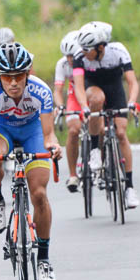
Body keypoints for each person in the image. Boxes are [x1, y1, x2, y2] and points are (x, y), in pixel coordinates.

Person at [0, 42, 62, 280]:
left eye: (19, 76)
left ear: (28, 74)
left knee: (39, 194)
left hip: (32, 132)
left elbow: (48, 135)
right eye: (7, 77)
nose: (13, 83)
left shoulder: (41, 91)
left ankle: (44, 259)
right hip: (2, 130)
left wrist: (53, 146)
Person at [72, 21, 140, 208]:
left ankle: (129, 187)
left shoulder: (118, 51)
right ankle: (95, 149)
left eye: (88, 49)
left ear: (100, 47)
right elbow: (78, 85)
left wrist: (132, 102)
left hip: (115, 89)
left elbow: (132, 82)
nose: (84, 52)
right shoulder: (80, 56)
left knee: (120, 133)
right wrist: (84, 106)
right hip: (93, 86)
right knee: (96, 99)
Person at [53, 30, 84, 192]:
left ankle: (99, 157)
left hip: (91, 91)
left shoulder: (87, 59)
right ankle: (73, 175)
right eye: (67, 56)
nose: (70, 60)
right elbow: (58, 90)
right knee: (73, 130)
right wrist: (60, 106)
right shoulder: (62, 64)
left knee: (100, 128)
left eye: (72, 55)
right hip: (74, 95)